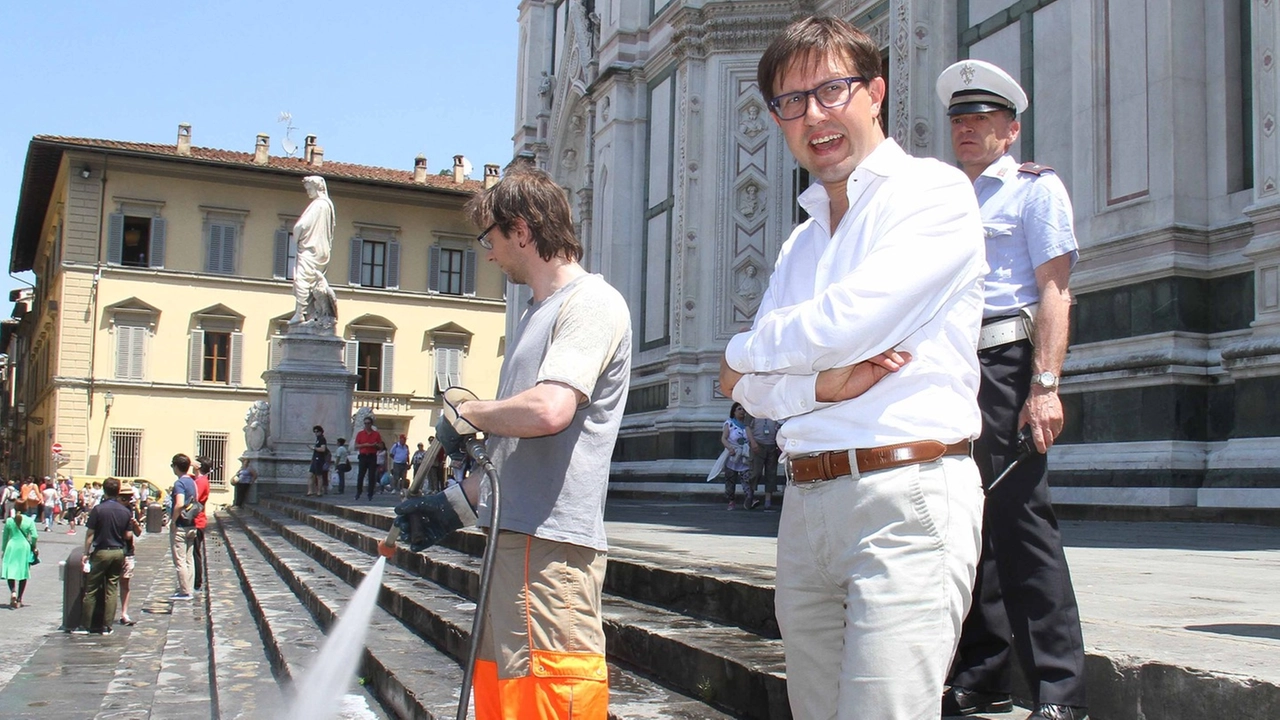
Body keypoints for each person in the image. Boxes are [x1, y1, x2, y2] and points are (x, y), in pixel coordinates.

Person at [718, 16, 988, 719]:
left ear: (876, 92)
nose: (814, 115)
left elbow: (849, 325)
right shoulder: (801, 243)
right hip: (805, 509)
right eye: (791, 102)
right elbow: (755, 399)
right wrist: (816, 384)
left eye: (832, 90)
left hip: (906, 494)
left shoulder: (933, 194)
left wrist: (742, 351)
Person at [393, 166, 632, 719]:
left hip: (551, 549)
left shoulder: (589, 303)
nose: (489, 254)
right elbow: (512, 450)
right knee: (503, 701)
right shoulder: (533, 315)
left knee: (551, 703)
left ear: (521, 230)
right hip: (517, 540)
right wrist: (452, 505)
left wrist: (469, 409)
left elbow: (550, 410)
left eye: (491, 239)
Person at [935, 59, 1088, 720]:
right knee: (965, 523)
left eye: (981, 120)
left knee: (1022, 523)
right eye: (959, 121)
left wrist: (1044, 387)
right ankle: (983, 672)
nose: (967, 131)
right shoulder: (940, 198)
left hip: (1007, 363)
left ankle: (1060, 691)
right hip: (946, 372)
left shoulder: (1035, 190)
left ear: (1011, 129)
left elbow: (1055, 291)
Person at [75, 477, 133, 634]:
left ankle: (86, 625)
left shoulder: (99, 509)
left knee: (92, 588)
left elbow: (90, 534)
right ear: (118, 491)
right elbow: (128, 535)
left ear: (105, 491)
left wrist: (86, 553)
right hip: (119, 551)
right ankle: (107, 626)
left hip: (102, 550)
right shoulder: (125, 511)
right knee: (112, 588)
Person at [289, 175, 339, 325]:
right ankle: (311, 313)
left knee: (302, 280)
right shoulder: (328, 206)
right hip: (322, 251)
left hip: (310, 250)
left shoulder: (319, 205)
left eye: (309, 189)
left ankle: (300, 313)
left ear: (317, 188)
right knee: (313, 283)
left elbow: (301, 226)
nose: (308, 192)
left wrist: (295, 237)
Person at [168, 454, 199, 601]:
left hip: (181, 525)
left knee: (180, 560)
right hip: (192, 524)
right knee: (189, 559)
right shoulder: (192, 482)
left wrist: (173, 521)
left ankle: (184, 591)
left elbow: (179, 503)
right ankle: (189, 588)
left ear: (175, 467)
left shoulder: (179, 483)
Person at [115, 483, 144, 626]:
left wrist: (135, 524)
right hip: (116, 549)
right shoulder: (114, 510)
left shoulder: (132, 511)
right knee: (112, 583)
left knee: (125, 582)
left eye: (129, 498)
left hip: (128, 551)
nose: (127, 500)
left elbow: (137, 533)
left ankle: (124, 613)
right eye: (124, 498)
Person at [721, 403, 754, 510]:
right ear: (734, 411)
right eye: (739, 409)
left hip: (744, 455)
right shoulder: (729, 424)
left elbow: (750, 439)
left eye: (743, 409)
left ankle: (749, 499)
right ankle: (731, 500)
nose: (741, 411)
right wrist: (729, 448)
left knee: (747, 478)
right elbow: (724, 438)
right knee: (730, 479)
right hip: (733, 454)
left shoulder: (746, 426)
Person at [2, 510, 38, 608]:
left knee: (10, 570)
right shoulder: (29, 521)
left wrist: (4, 550)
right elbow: (34, 535)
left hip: (12, 545)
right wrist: (34, 545)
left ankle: (13, 591)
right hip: (24, 547)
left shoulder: (10, 520)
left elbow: (5, 537)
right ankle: (19, 598)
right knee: (23, 572)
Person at [747, 414, 782, 511]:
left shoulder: (775, 409)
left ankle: (768, 501)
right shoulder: (753, 408)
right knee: (755, 472)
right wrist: (752, 442)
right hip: (758, 444)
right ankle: (750, 495)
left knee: (771, 473)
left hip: (772, 445)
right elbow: (747, 426)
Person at [192, 457, 213, 592]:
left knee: (195, 552)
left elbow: (195, 498)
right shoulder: (197, 479)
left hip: (197, 521)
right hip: (197, 520)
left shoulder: (202, 481)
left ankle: (197, 581)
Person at [353, 416, 380, 500]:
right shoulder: (360, 434)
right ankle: (358, 491)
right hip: (363, 456)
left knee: (371, 475)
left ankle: (370, 493)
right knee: (361, 474)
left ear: (371, 424)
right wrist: (367, 445)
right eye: (365, 423)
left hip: (372, 456)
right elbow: (356, 445)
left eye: (368, 423)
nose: (367, 425)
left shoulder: (376, 434)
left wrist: (375, 445)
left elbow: (380, 445)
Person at [307, 425, 329, 496]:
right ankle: (310, 491)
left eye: (317, 431)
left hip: (319, 459)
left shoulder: (322, 439)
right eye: (315, 432)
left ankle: (319, 491)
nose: (316, 433)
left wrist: (314, 448)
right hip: (315, 459)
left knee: (319, 475)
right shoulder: (318, 439)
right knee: (310, 475)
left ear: (320, 432)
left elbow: (323, 449)